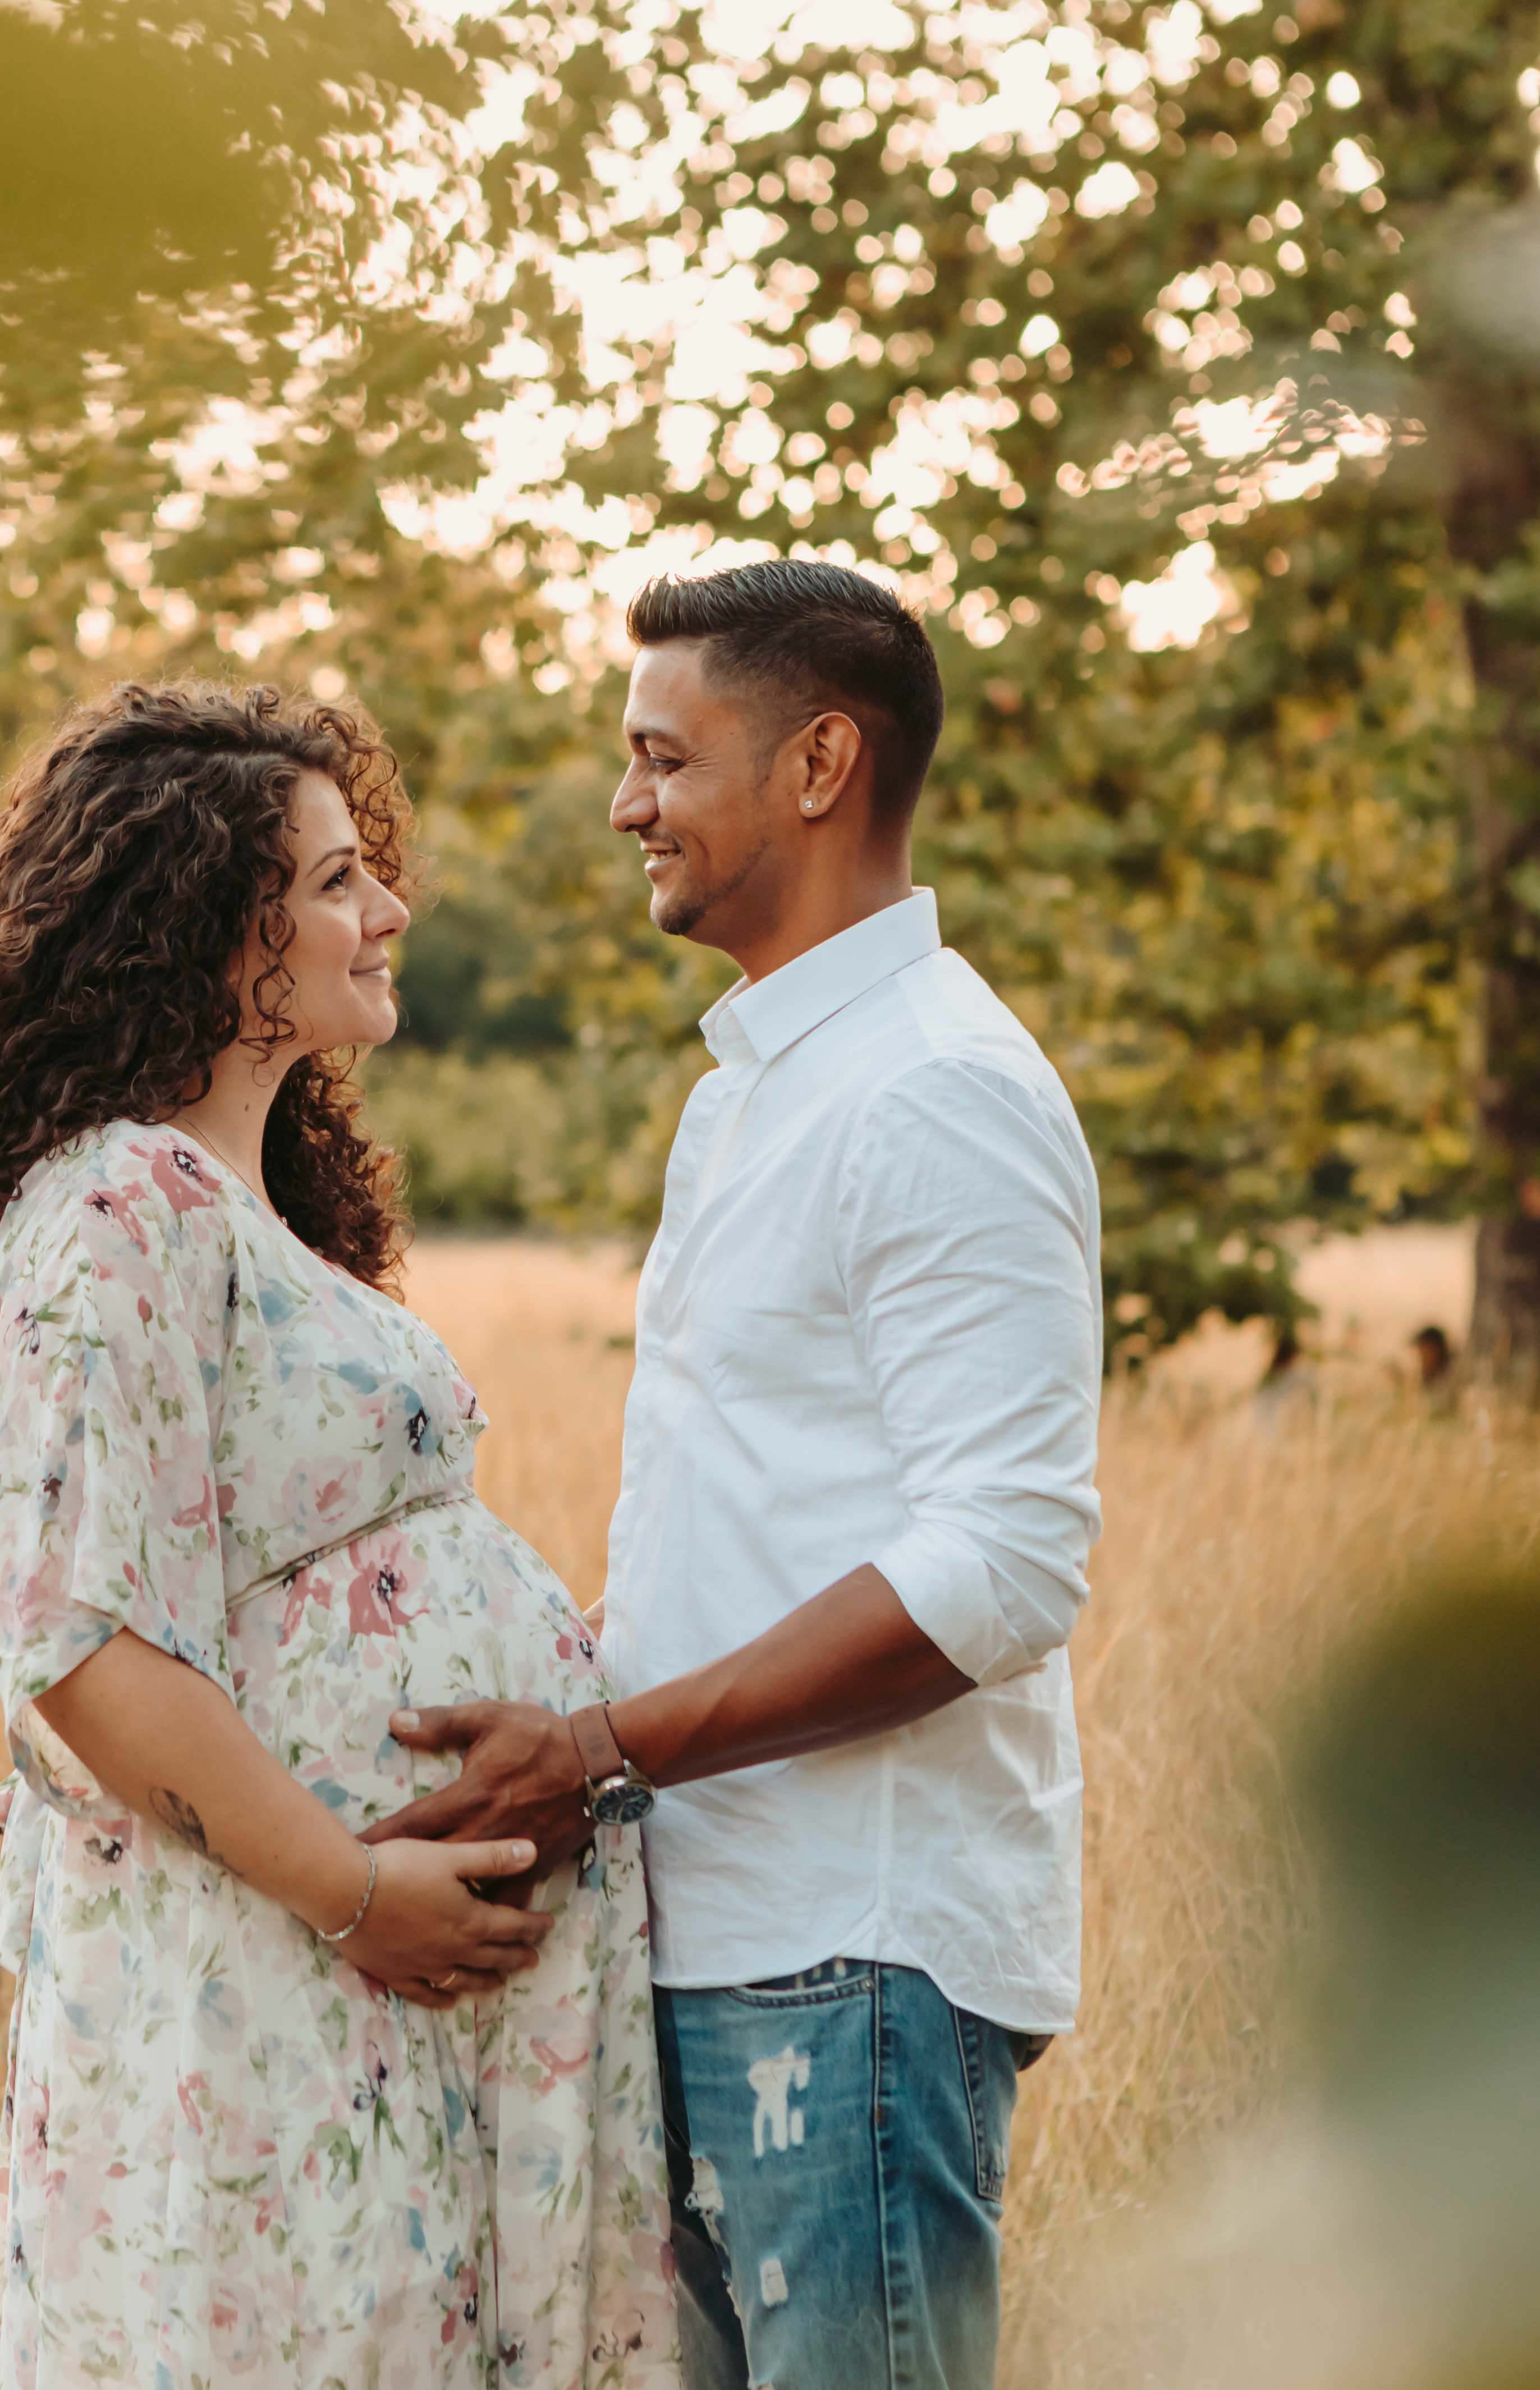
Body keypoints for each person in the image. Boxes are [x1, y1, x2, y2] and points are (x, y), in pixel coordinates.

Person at [0, 682, 678, 2388]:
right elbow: (80, 1644)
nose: (388, 910)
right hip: (268, 1986)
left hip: (341, 1996)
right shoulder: (114, 1207)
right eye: (334, 881)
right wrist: (356, 1889)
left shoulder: (238, 1214)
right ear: (214, 933)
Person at [359, 562, 1106, 2390]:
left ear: (818, 763)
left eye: (662, 757)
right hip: (714, 1930)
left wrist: (603, 1744)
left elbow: (1005, 1565)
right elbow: (762, 1514)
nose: (627, 803)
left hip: (848, 1956)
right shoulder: (756, 1091)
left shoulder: (934, 1087)